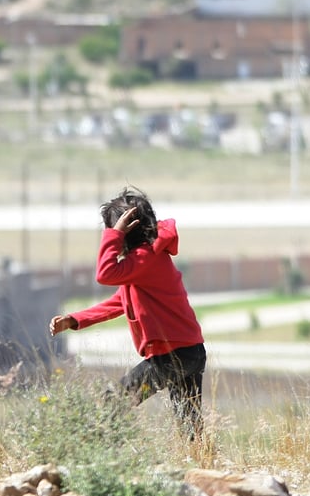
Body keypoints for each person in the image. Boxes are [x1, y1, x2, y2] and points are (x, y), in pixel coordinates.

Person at [49, 186, 206, 441]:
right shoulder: (147, 260)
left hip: (171, 357)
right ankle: (203, 466)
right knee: (190, 427)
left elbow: (104, 273)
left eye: (113, 229)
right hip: (190, 352)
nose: (111, 236)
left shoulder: (146, 258)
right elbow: (119, 302)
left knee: (115, 402)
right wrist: (75, 320)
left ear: (126, 231)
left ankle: (100, 456)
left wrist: (114, 234)